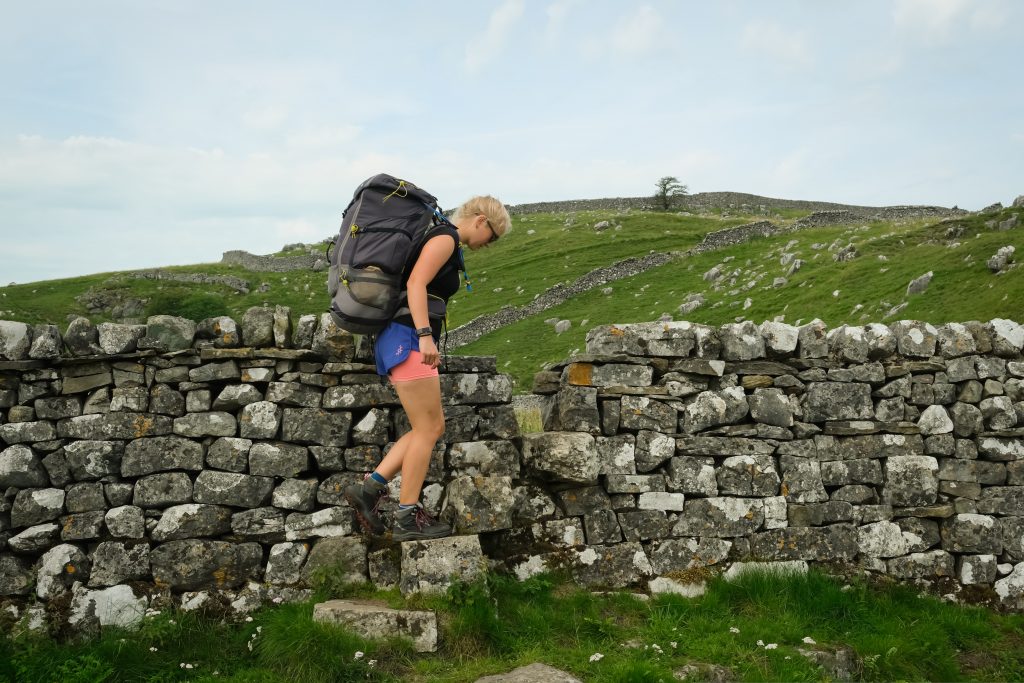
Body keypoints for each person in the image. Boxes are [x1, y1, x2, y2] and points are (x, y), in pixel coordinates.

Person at [344, 195, 512, 541]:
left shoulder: (444, 237)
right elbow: (416, 283)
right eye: (492, 236)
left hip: (400, 337)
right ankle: (407, 515)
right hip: (407, 337)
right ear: (481, 220)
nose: (489, 245)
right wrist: (424, 335)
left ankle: (371, 489)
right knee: (429, 428)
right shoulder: (445, 238)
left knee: (428, 426)